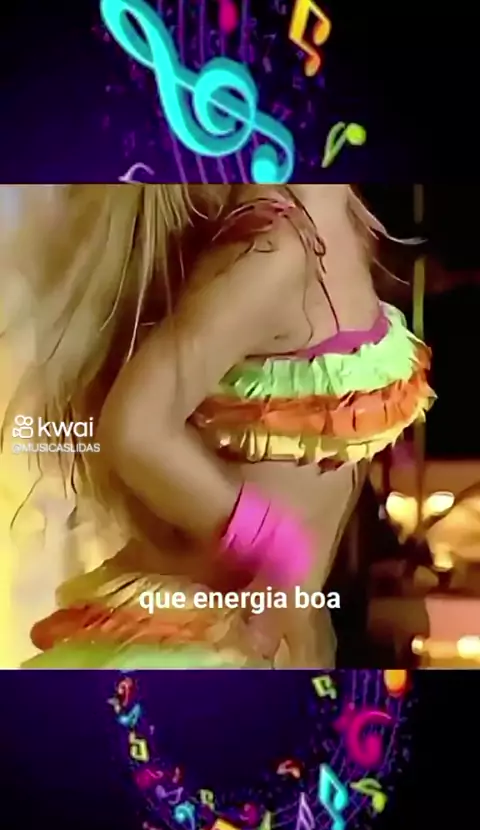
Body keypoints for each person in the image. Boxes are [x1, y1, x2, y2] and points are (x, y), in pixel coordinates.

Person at [1, 183, 434, 668]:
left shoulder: (346, 218)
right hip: (194, 646)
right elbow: (134, 430)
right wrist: (275, 548)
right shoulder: (273, 253)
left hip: (265, 645)